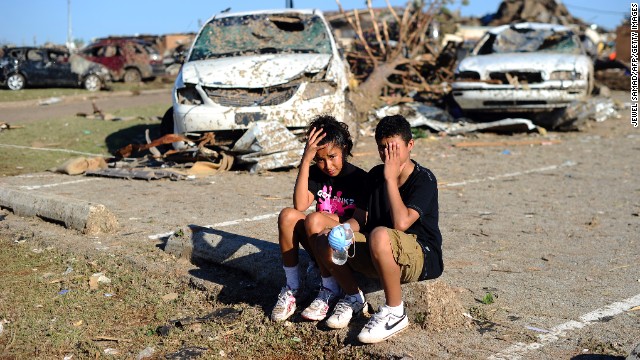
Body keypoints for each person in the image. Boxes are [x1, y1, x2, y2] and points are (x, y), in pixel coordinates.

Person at [313, 114, 444, 343]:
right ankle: (353, 298)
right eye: (383, 148)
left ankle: (395, 312)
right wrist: (341, 232)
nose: (388, 155)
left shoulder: (424, 179)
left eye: (394, 148)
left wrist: (391, 179)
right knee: (325, 238)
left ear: (410, 145)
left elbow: (401, 224)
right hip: (380, 250)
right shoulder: (374, 175)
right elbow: (360, 220)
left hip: (420, 255)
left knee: (380, 233)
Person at [270, 115, 368, 322]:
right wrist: (305, 160)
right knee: (288, 215)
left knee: (315, 219)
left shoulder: (360, 179)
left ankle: (330, 289)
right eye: (320, 159)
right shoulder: (315, 173)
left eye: (332, 156)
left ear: (344, 149)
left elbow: (362, 223)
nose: (327, 165)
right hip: (320, 243)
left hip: (345, 250)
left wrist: (330, 219)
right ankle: (292, 288)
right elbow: (300, 205)